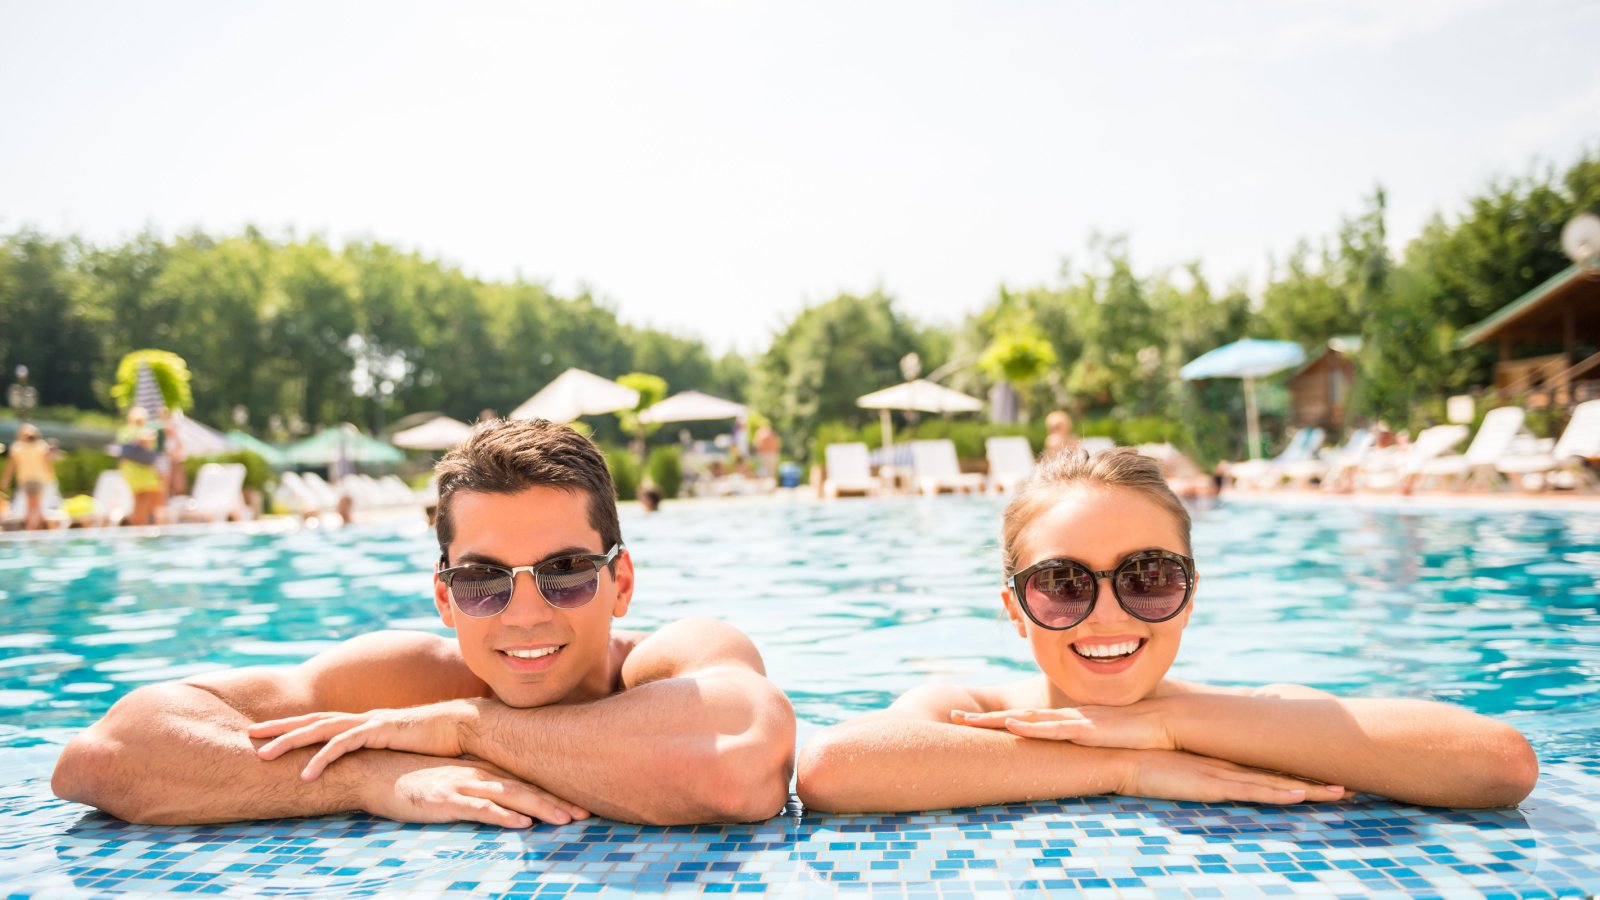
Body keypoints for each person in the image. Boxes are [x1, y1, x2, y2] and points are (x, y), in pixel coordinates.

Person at [53, 418, 796, 826]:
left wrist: (470, 729)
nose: (525, 613)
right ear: (444, 600)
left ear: (620, 581)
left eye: (566, 573)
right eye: (483, 582)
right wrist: (376, 778)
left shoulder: (672, 659)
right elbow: (106, 754)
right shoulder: (409, 678)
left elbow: (739, 769)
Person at [797, 448, 1538, 813]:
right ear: (1014, 607)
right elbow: (832, 770)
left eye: (1147, 576)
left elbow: (1499, 764)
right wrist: (1125, 767)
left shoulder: (1237, 719)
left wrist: (1172, 724)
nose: (1109, 614)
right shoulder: (966, 712)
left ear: (1188, 596)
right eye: (1063, 584)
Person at [1, 424, 57, 530]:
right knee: (37, 506)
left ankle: (31, 528)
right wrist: (51, 477)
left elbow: (10, 466)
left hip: (25, 480)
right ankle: (35, 528)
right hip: (39, 479)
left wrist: (6, 480)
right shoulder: (40, 446)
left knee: (30, 507)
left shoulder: (17, 447)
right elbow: (47, 463)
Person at [117, 406, 165, 526]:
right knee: (142, 501)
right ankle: (140, 527)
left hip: (140, 472)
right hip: (140, 473)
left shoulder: (126, 431)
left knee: (146, 501)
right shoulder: (133, 431)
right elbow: (146, 443)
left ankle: (144, 526)